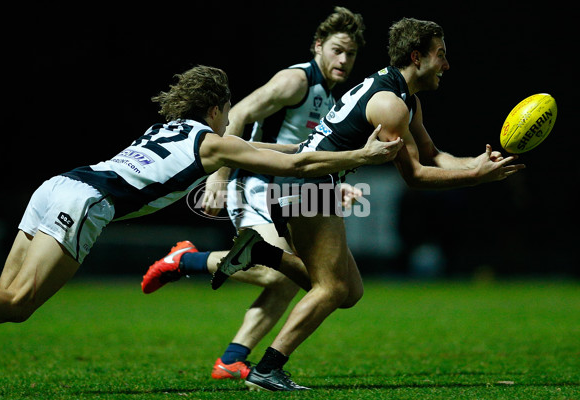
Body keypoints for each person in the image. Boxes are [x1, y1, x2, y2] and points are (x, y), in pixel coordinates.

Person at [214, 18, 526, 391]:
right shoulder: (389, 105)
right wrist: (475, 179)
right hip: (308, 182)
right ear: (417, 57)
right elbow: (414, 176)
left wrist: (477, 163)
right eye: (440, 55)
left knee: (350, 292)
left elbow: (432, 154)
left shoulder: (405, 100)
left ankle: (262, 254)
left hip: (309, 179)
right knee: (331, 288)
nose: (446, 65)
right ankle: (267, 368)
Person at [0, 65, 403, 333]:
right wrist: (362, 155)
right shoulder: (211, 142)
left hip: (56, 185)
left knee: (3, 295)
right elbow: (293, 167)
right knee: (19, 303)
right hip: (85, 202)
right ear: (218, 108)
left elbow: (278, 152)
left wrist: (323, 151)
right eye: (228, 110)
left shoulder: (168, 130)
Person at [140, 6, 366, 381]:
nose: (343, 59)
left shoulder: (328, 96)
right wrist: (219, 177)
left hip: (290, 191)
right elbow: (240, 114)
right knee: (278, 273)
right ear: (318, 46)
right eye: (337, 50)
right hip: (256, 185)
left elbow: (303, 150)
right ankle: (185, 261)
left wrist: (334, 183)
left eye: (351, 53)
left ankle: (231, 360)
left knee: (311, 281)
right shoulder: (296, 81)